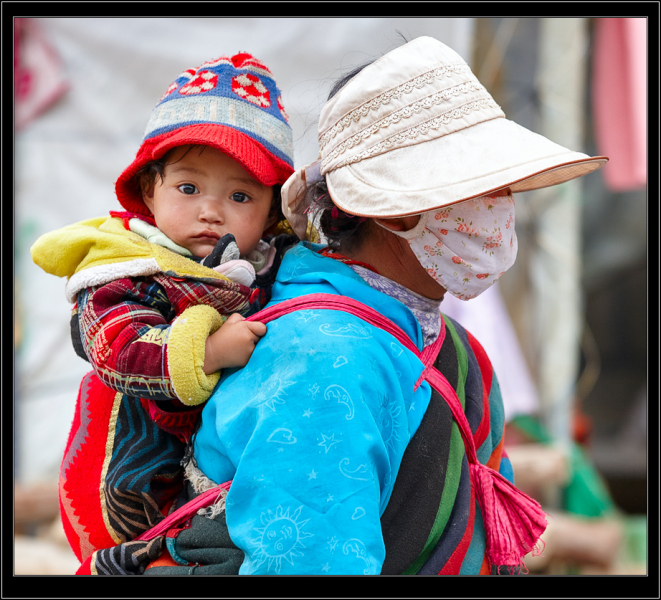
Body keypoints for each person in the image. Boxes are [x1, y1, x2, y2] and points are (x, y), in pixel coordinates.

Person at [148, 36, 607, 576]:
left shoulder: (450, 345)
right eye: (477, 187)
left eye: (501, 188)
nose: (496, 208)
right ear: (391, 208)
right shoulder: (319, 358)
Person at [30, 51, 310, 573]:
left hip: (221, 469)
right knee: (131, 549)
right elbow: (115, 348)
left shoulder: (270, 265)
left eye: (241, 195)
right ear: (147, 189)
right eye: (188, 188)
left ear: (272, 213)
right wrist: (206, 351)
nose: (211, 209)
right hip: (133, 463)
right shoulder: (124, 267)